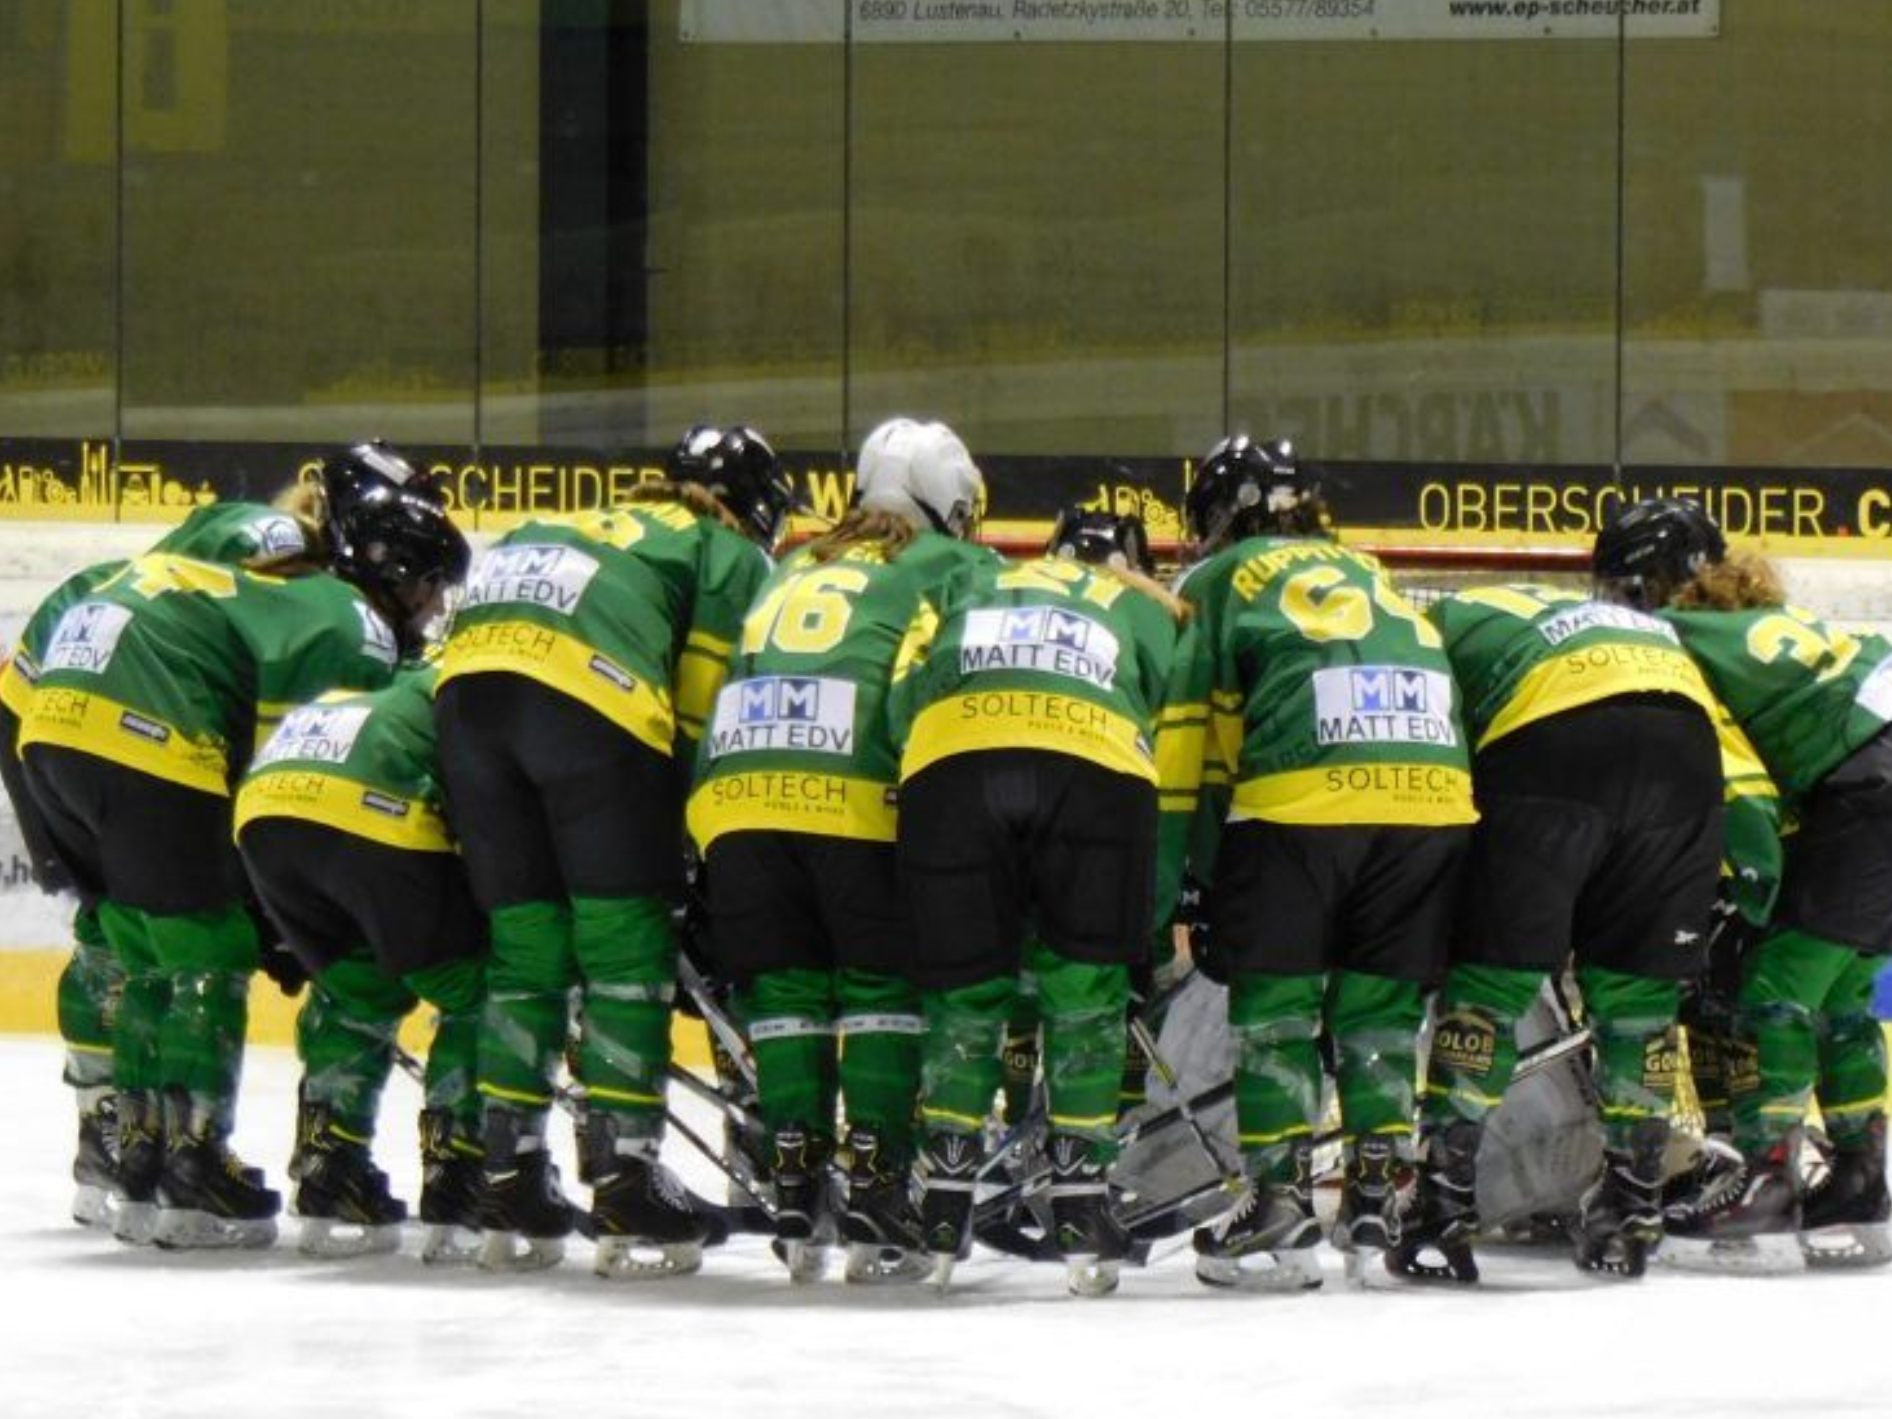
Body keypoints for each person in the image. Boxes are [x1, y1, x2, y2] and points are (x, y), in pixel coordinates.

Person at [0, 440, 448, 1235]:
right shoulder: (322, 597)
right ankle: (192, 1163)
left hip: (38, 702)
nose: (430, 607)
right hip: (137, 708)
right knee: (206, 941)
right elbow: (285, 785)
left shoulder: (243, 558)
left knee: (123, 930)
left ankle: (121, 1145)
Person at [434, 424, 789, 1276]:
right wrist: (695, 849)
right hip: (592, 704)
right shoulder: (724, 551)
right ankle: (626, 1173)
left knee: (526, 949)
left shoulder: (560, 523)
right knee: (622, 939)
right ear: (756, 508)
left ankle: (505, 1171)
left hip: (464, 700)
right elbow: (701, 709)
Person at [1160, 435, 1476, 1290]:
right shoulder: (1372, 571)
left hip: (1303, 795)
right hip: (1435, 795)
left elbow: (1197, 735)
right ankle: (1375, 1199)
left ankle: (1279, 1205)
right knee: (1377, 1010)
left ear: (1225, 515)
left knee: (1278, 1011)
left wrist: (1193, 868)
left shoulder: (1215, 581)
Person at [687, 415, 994, 1283]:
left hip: (735, 795)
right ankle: (875, 1182)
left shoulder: (793, 561)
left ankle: (792, 1181)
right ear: (950, 504)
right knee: (880, 987)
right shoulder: (953, 563)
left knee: (784, 988)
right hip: (856, 791)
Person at [890, 504, 1192, 1296]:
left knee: (964, 986)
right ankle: (1081, 1205)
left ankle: (945, 1190)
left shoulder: (976, 581)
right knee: (1085, 986)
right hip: (1094, 762)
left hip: (952, 758)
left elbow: (899, 704)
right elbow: (1173, 734)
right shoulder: (1148, 604)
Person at [1395, 576, 1728, 1281]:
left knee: (1489, 982)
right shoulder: (1617, 619)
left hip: (1555, 739)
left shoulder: (1437, 619)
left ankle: (1441, 1202)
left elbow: (1424, 749)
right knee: (1640, 1005)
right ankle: (1632, 1209)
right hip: (1688, 748)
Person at [1593, 497, 1892, 1272]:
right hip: (1873, 766)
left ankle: (1767, 1181)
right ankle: (1860, 1178)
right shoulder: (1760, 616)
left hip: (1871, 781)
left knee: (1776, 984)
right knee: (1845, 988)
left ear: (1652, 581)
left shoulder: (1673, 635)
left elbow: (1728, 773)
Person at [235, 659, 489, 1263]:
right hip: (368, 808)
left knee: (355, 988)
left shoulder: (367, 691)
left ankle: (330, 1170)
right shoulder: (469, 687)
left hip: (263, 813)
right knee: (474, 991)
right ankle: (461, 1172)